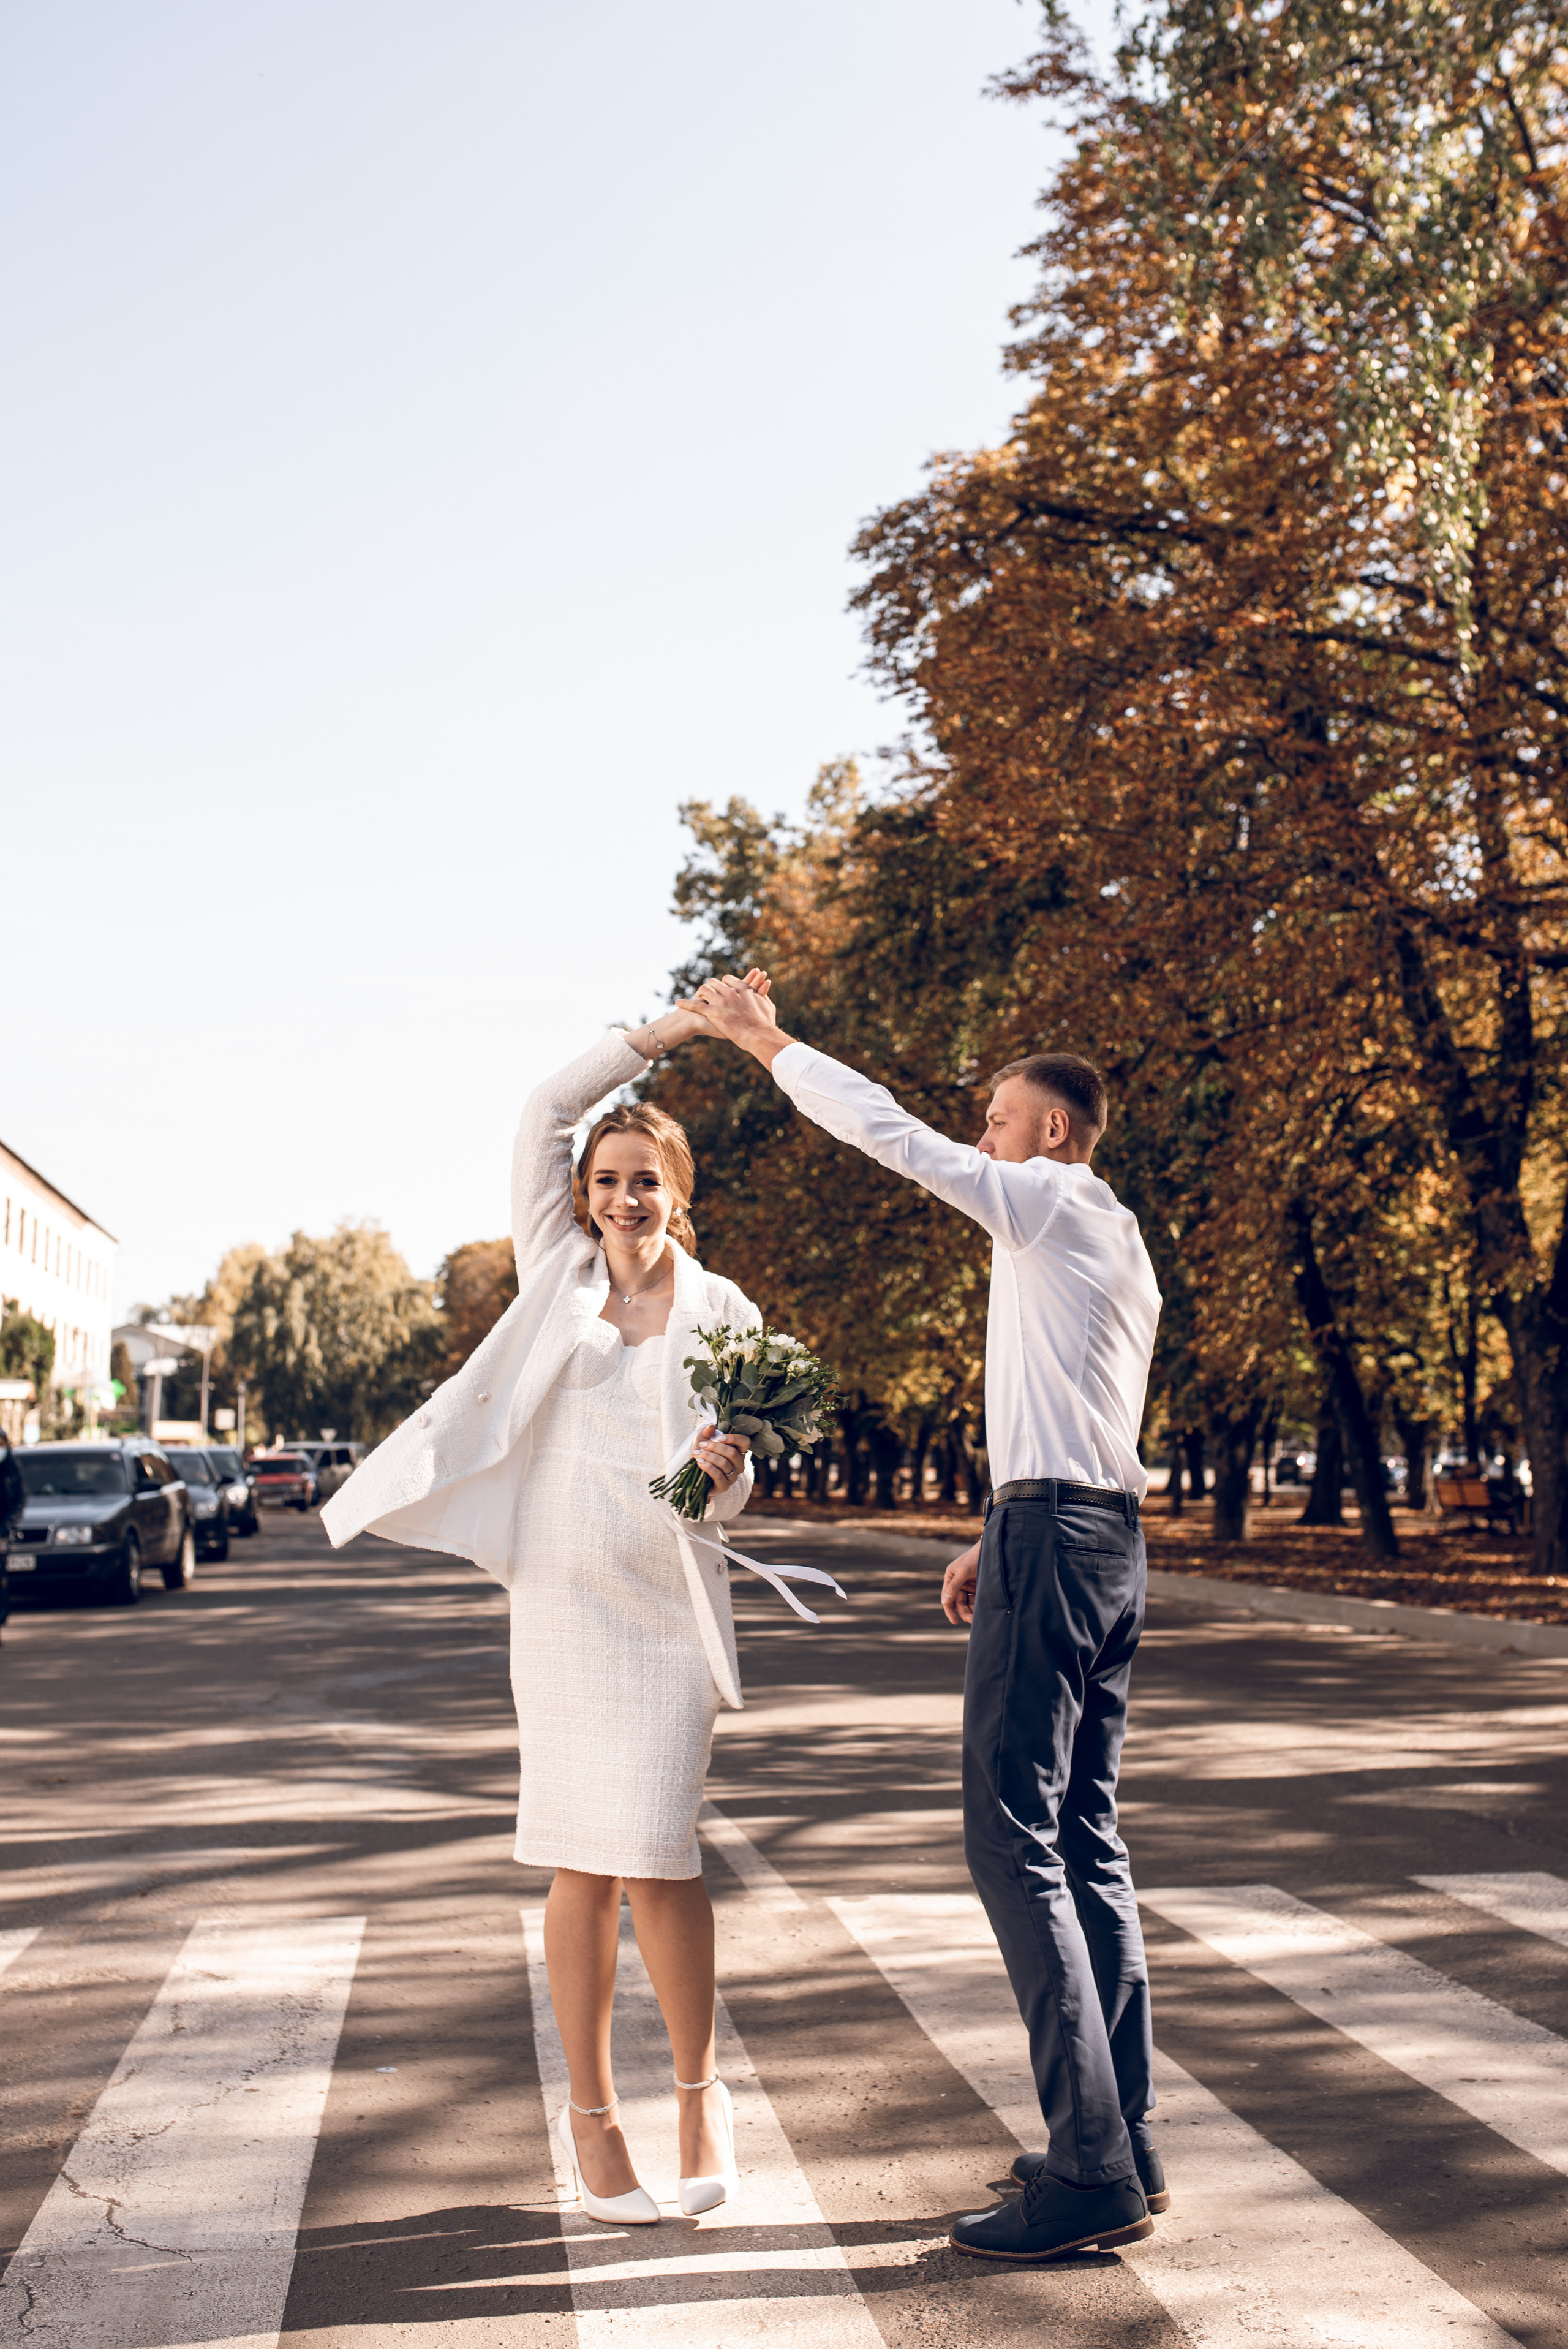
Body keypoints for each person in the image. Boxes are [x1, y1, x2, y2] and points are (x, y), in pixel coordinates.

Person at [690, 970, 1164, 2265]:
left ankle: (1089, 2170)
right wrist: (994, 1527)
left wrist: (765, 1041)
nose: (980, 1139)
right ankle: (1123, 2138)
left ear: (1052, 1131)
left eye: (998, 1120)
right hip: (1098, 1538)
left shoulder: (1045, 1197)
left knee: (1014, 1840)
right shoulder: (1113, 1235)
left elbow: (890, 1134)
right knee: (1085, 1838)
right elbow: (1080, 1413)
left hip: (1055, 1540)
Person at [323, 1000, 768, 2226]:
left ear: (679, 1192)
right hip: (565, 1602)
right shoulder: (552, 1272)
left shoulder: (726, 1311)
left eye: (647, 1181)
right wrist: (668, 1031)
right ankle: (592, 2116)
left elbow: (742, 1480)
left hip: (666, 1606)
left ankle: (699, 2095)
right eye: (607, 1180)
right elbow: (545, 1110)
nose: (625, 1198)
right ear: (584, 1195)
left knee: (662, 1854)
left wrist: (727, 1472)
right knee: (581, 1857)